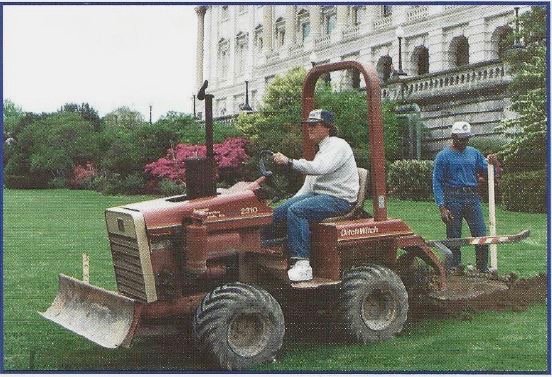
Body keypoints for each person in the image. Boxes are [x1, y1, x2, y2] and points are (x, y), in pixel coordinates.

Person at [271, 109, 359, 282]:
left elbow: (319, 168)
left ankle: (302, 265)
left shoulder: (338, 146)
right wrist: (288, 204)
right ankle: (269, 252)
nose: (309, 129)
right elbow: (308, 187)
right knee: (278, 212)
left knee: (298, 211)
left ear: (327, 127)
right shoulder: (322, 151)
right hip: (322, 196)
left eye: (313, 125)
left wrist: (289, 162)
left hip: (340, 200)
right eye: (307, 125)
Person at [432, 121, 500, 273]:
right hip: (453, 199)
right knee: (454, 236)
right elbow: (437, 182)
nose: (464, 142)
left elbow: (490, 173)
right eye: (461, 139)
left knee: (480, 234)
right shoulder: (443, 156)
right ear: (453, 137)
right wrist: (442, 207)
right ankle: (455, 268)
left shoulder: (474, 153)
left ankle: (482, 268)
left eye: (466, 139)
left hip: (472, 198)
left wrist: (494, 164)